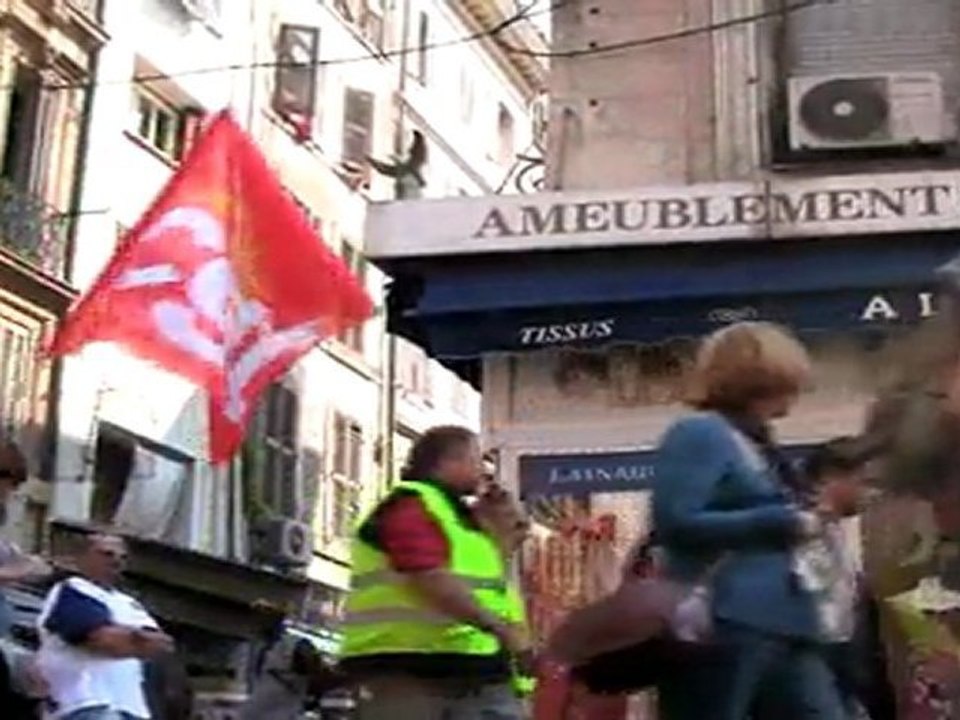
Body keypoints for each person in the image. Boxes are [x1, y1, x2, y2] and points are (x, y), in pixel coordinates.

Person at [653, 322, 846, 720]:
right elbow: (675, 520)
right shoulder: (701, 433)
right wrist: (779, 521)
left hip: (787, 622)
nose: (795, 397)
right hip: (725, 618)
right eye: (788, 383)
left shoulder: (759, 442)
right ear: (760, 380)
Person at [339, 425, 531, 720]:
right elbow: (430, 577)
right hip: (410, 667)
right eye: (478, 460)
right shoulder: (411, 506)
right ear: (450, 462)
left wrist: (503, 521)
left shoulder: (453, 514)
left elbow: (487, 576)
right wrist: (500, 629)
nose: (485, 471)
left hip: (467, 664)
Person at [36, 533, 175, 720]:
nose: (116, 561)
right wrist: (136, 639)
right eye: (107, 554)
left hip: (132, 707)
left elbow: (162, 646)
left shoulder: (129, 603)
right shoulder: (73, 590)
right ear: (83, 558)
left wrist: (129, 637)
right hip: (85, 702)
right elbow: (101, 639)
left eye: (122, 557)